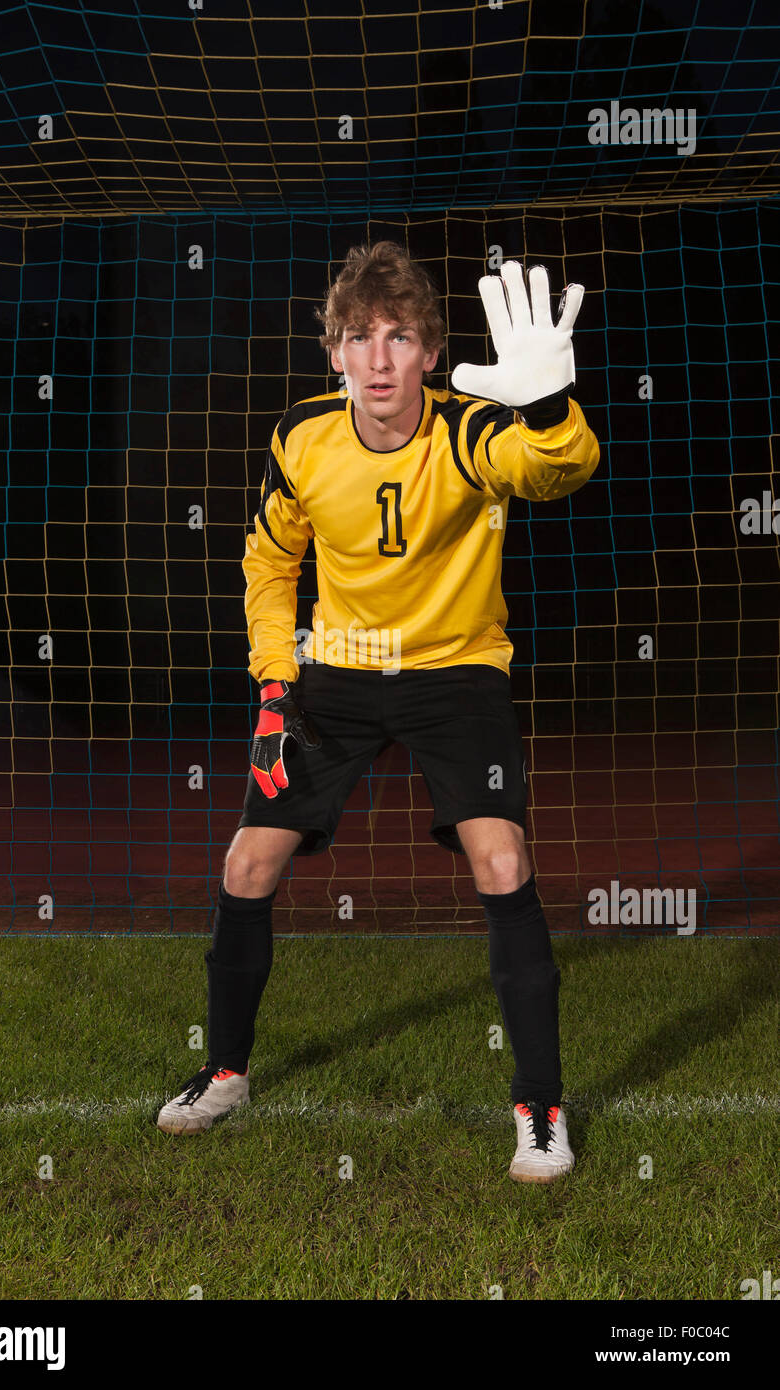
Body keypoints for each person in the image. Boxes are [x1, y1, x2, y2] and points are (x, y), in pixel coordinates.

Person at [157, 241, 599, 1183]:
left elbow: (559, 469)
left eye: (400, 336)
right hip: (341, 674)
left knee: (503, 855)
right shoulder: (301, 438)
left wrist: (551, 408)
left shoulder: (474, 430)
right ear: (334, 353)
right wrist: (276, 687)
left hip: (456, 671)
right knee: (247, 861)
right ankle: (226, 1070)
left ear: (432, 352)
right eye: (360, 338)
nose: (381, 359)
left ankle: (540, 1108)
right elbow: (270, 567)